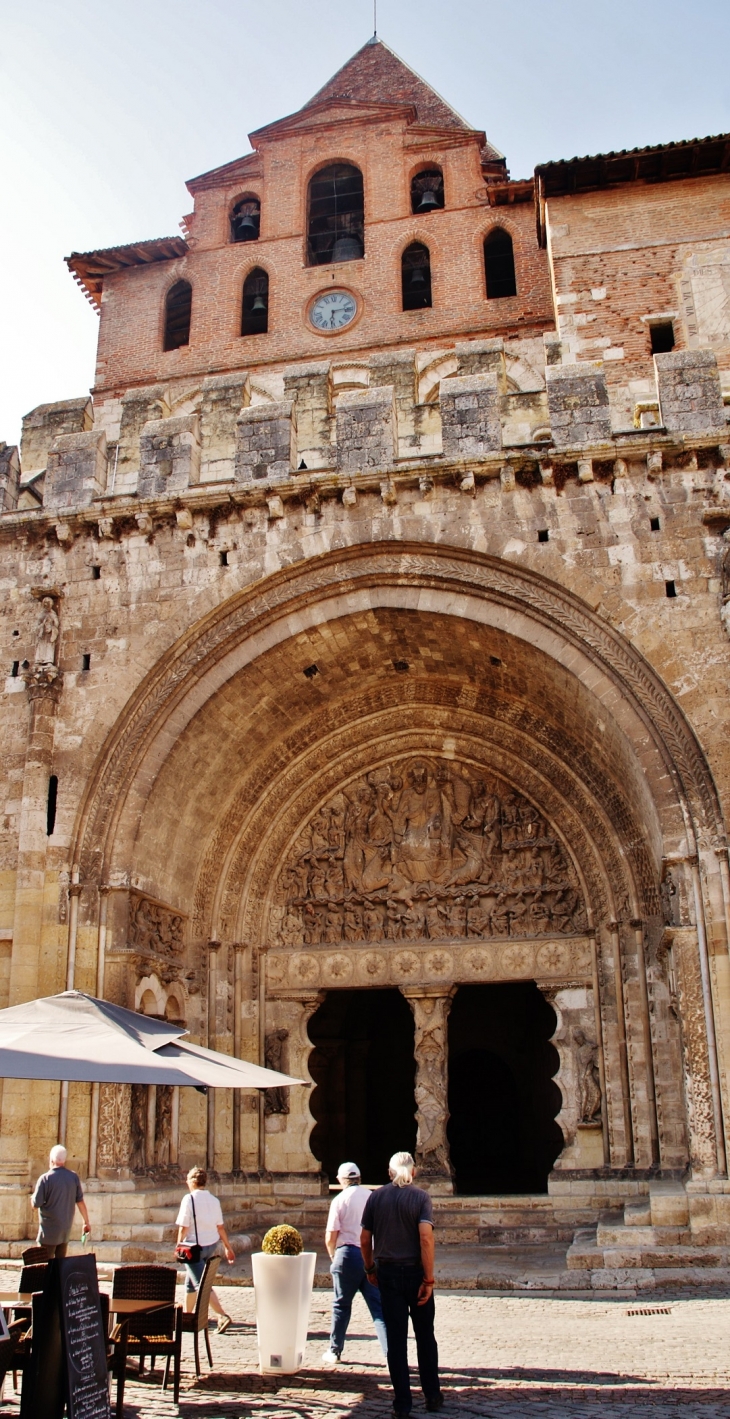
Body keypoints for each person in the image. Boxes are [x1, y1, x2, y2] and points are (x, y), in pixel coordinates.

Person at [361, 1151, 442, 1417]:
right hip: (416, 1274)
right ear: (414, 1172)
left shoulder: (376, 1197)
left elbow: (364, 1239)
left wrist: (370, 1267)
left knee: (396, 1341)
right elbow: (426, 1239)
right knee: (425, 1337)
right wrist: (428, 1279)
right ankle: (432, 1395)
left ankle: (402, 1404)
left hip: (389, 1275)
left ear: (389, 1172)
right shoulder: (420, 1198)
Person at [321, 1161, 388, 1366]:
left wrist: (334, 1256)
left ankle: (335, 1350)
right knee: (378, 1308)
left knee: (341, 1305)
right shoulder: (372, 1197)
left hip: (347, 1253)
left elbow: (330, 1236)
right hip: (369, 1254)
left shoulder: (340, 1200)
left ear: (342, 1180)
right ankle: (390, 1352)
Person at [175, 1166, 235, 1333]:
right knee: (191, 1282)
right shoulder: (214, 1200)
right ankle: (188, 1316)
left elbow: (183, 1227)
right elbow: (220, 1227)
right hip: (210, 1245)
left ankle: (222, 1316)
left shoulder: (189, 1199)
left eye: (187, 1180)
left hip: (194, 1248)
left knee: (202, 1284)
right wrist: (227, 1247)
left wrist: (179, 1244)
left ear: (192, 1182)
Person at [31, 1144, 91, 1258]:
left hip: (48, 1231)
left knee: (44, 1264)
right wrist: (86, 1222)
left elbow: (35, 1204)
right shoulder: (73, 1177)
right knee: (60, 1265)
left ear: (52, 1159)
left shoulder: (45, 1179)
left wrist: (32, 1198)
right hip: (65, 1230)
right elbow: (80, 1201)